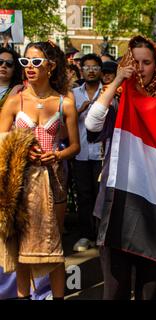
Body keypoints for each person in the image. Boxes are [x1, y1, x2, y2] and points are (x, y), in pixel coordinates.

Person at [85, 35, 156, 300]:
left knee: (150, 287)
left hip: (155, 208)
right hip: (116, 204)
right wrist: (117, 80)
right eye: (134, 62)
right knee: (115, 288)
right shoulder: (117, 100)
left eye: (147, 62)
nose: (140, 68)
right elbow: (92, 124)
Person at [0, 40, 80, 299]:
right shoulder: (15, 100)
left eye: (36, 62)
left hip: (54, 180)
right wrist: (20, 146)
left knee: (54, 245)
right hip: (19, 181)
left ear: (51, 66)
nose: (29, 67)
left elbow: (75, 147)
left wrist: (56, 154)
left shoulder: (64, 102)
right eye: (25, 62)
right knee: (21, 245)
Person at [72, 53, 104, 253]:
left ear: (100, 70)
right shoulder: (73, 94)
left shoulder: (108, 92)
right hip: (81, 152)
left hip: (102, 153)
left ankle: (101, 234)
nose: (91, 71)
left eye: (95, 67)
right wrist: (79, 110)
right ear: (81, 70)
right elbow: (64, 122)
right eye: (87, 67)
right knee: (84, 195)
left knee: (102, 194)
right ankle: (86, 234)